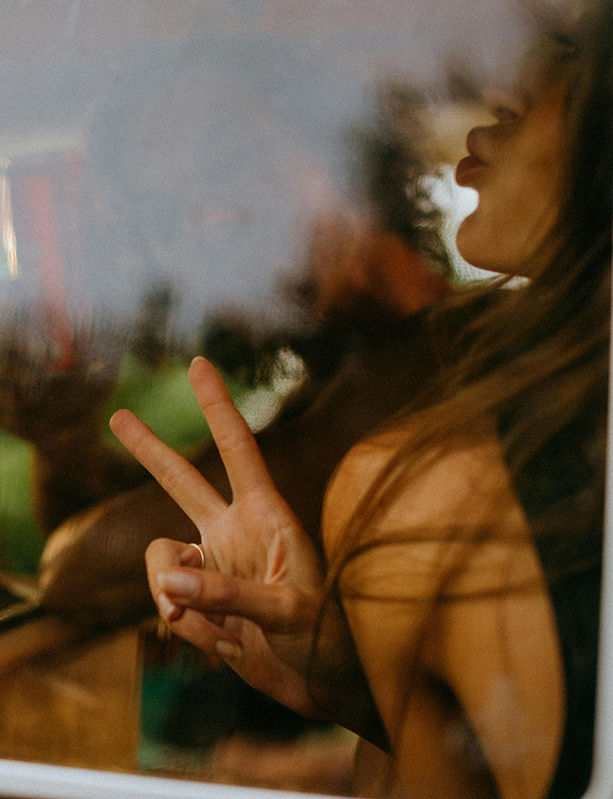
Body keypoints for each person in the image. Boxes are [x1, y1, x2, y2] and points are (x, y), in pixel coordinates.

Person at [84, 1, 613, 796]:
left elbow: (80, 562)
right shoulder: (358, 403)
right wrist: (355, 686)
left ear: (347, 152)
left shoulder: (446, 428)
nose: (214, 217)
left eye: (232, 158)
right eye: (168, 213)